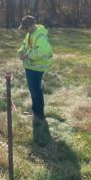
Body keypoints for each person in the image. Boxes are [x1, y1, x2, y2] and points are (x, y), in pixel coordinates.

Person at [17, 15, 53, 144]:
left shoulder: (40, 35)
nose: (25, 30)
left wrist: (28, 55)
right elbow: (24, 45)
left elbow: (43, 51)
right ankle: (35, 110)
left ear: (33, 25)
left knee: (35, 89)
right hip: (30, 65)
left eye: (27, 28)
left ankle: (39, 114)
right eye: (24, 28)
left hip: (37, 66)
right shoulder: (29, 33)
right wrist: (21, 51)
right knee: (33, 89)